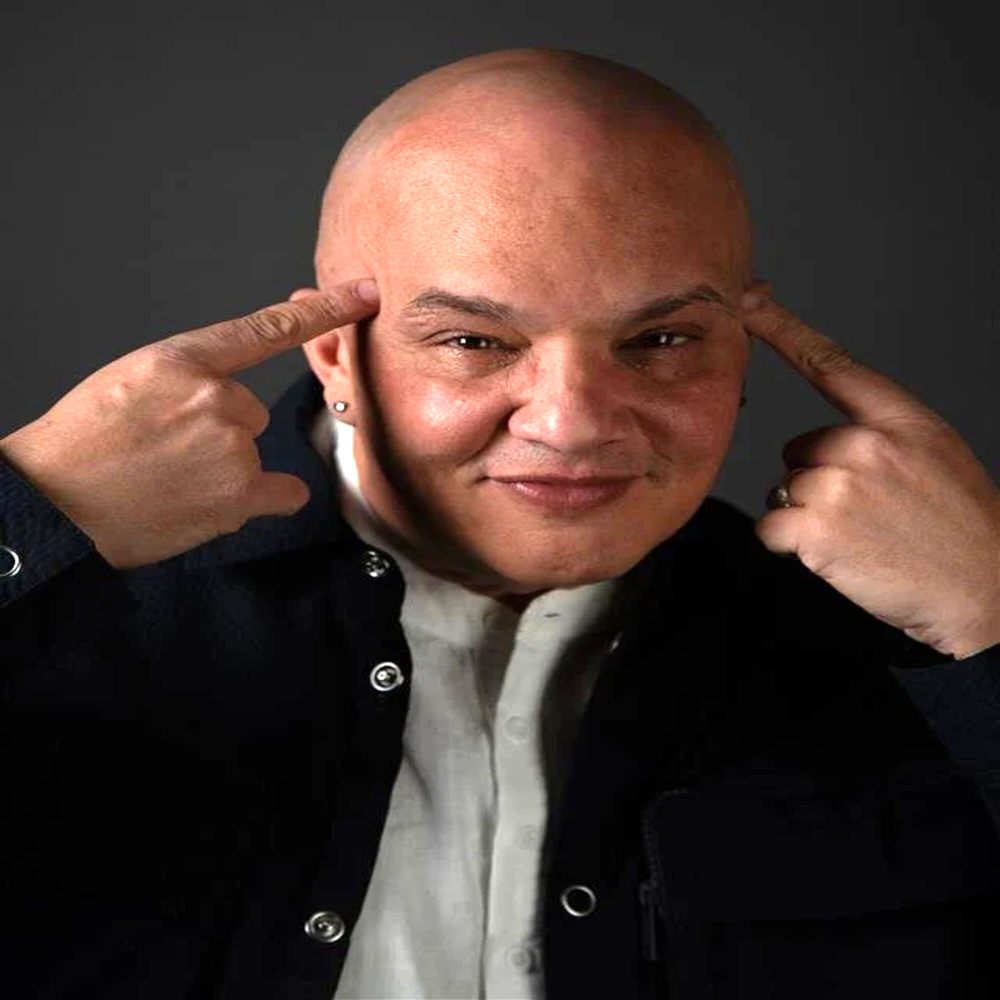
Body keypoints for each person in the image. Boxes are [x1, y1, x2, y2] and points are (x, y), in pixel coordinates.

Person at [1, 46, 997, 1000]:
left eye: (660, 339)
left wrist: (993, 615)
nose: (572, 423)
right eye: (474, 340)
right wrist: (22, 512)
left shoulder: (893, 653)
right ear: (335, 352)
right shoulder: (77, 614)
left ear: (743, 345)